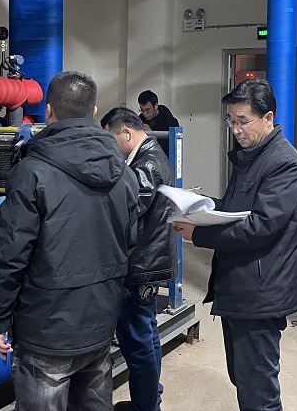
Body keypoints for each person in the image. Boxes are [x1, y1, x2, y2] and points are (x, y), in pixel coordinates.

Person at [0, 71, 139, 411]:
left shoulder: (31, 172)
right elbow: (129, 242)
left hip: (45, 330)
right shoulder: (124, 172)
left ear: (49, 111)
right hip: (100, 322)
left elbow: (10, 254)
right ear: (94, 111)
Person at [172, 78, 297, 411]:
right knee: (244, 378)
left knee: (259, 390)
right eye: (231, 121)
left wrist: (197, 235)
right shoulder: (251, 157)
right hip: (240, 287)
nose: (235, 129)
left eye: (243, 121)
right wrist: (200, 204)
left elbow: (260, 227)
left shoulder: (284, 163)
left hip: (260, 293)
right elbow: (236, 210)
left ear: (268, 117)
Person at [100, 107, 177, 411]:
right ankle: (150, 399)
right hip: (149, 260)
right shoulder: (151, 156)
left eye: (111, 140)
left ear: (127, 133)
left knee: (137, 342)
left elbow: (127, 207)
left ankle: (145, 406)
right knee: (147, 335)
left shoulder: (147, 164)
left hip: (141, 264)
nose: (111, 148)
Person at [138, 90, 179, 155]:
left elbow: (173, 146)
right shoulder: (139, 120)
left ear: (156, 106)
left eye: (148, 110)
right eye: (142, 110)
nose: (145, 113)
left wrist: (151, 134)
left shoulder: (170, 121)